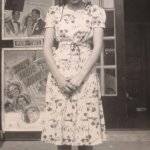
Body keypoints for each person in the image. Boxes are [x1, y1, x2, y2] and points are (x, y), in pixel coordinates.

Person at [41, 0, 106, 150]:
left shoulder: (95, 11)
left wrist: (80, 76)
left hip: (85, 74)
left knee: (85, 133)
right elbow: (46, 47)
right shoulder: (54, 12)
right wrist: (58, 77)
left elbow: (97, 47)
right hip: (59, 73)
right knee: (62, 133)